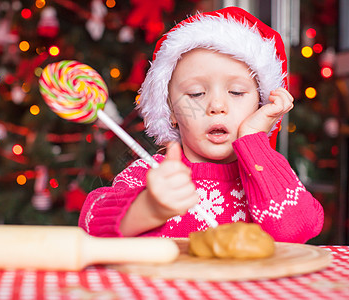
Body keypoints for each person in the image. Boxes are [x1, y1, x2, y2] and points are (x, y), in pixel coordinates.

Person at [79, 6, 324, 243]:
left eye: (237, 92)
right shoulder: (152, 175)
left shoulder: (265, 176)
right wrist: (148, 208)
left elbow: (297, 229)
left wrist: (253, 139)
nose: (216, 105)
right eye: (196, 94)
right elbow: (91, 221)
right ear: (171, 111)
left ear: (259, 105)